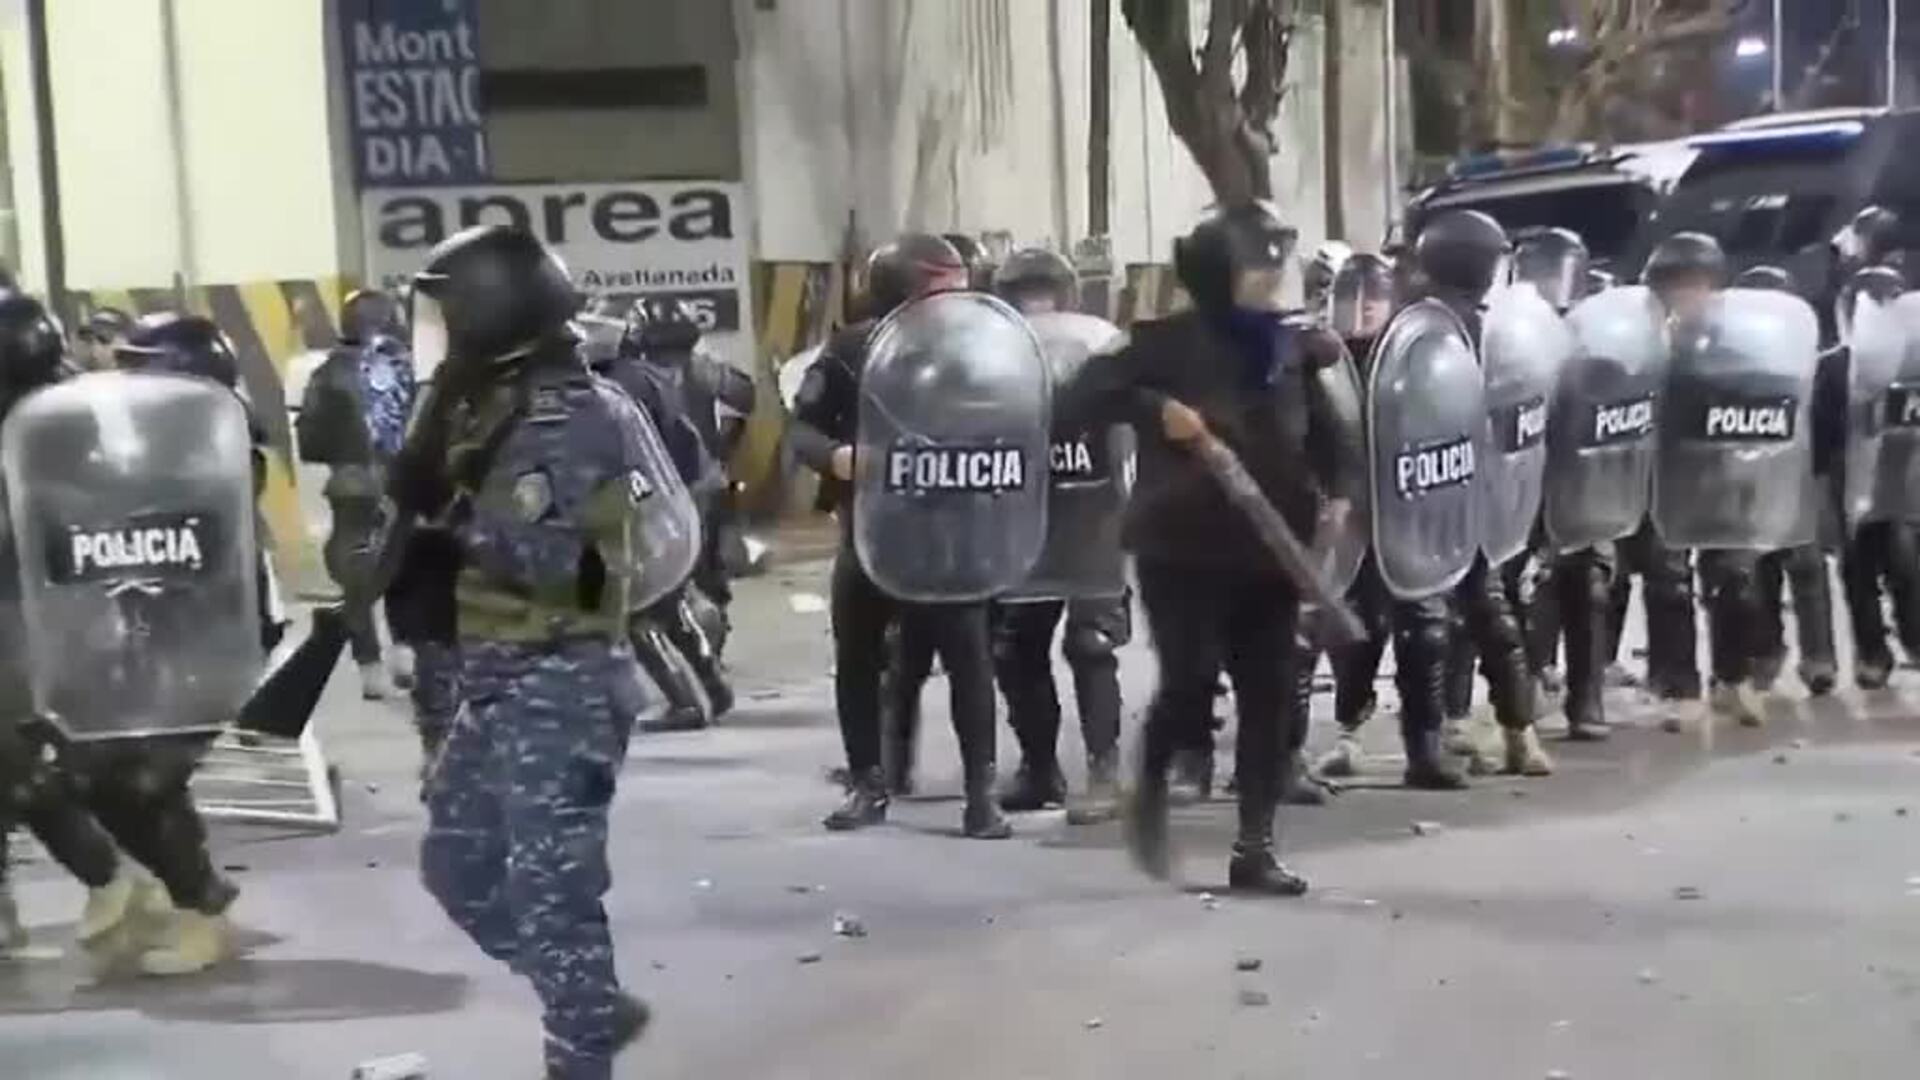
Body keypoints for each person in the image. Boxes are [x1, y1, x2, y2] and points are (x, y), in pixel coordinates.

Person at [402, 225, 655, 1079]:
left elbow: (569, 567)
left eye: (448, 313)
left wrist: (452, 541)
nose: (434, 331)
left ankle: (579, 1046)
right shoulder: (487, 397)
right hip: (502, 679)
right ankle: (589, 1003)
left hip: (563, 678)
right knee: (456, 863)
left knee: (558, 902)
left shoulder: (569, 417)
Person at [1061, 202, 1365, 894]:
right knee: (1189, 682)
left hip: (1271, 551)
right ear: (1218, 272)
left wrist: (1339, 495)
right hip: (1182, 548)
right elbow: (1074, 402)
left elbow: (1334, 436)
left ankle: (1254, 846)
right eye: (1257, 264)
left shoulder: (1293, 348)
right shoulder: (1158, 344)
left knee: (1270, 696)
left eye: (1273, 264)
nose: (1270, 277)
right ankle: (1152, 785)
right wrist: (1153, 410)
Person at [791, 234, 1015, 840]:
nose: (963, 296)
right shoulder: (850, 349)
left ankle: (981, 793)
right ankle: (868, 781)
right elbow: (801, 430)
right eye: (948, 285)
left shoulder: (984, 350)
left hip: (952, 533)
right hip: (871, 531)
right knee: (858, 659)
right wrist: (836, 457)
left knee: (970, 661)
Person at [0, 291, 160, 967]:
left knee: (17, 763)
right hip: (60, 618)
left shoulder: (38, 429)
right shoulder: (68, 414)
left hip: (32, 621)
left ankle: (112, 879)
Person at [987, 247, 1132, 821]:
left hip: (1095, 516)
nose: (1036, 306)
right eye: (1027, 295)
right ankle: (1038, 767)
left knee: (1091, 644)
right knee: (1016, 647)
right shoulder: (990, 355)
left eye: (1044, 293)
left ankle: (1105, 773)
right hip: (1024, 519)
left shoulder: (1105, 348)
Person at [1416, 211, 1556, 777]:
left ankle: (1437, 736)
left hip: (1428, 497)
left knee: (1425, 625)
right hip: (1487, 503)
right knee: (1491, 615)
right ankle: (1521, 734)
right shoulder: (1516, 332)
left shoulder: (1419, 330)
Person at [1512, 226, 1618, 742]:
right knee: (1532, 586)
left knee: (1591, 584)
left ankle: (1587, 696)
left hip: (1584, 476)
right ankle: (1524, 684)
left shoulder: (1598, 330)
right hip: (1527, 478)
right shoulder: (1514, 326)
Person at [1608, 233, 1717, 719]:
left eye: (1695, 286)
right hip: (1634, 467)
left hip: (1687, 469)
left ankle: (1678, 678)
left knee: (1671, 573)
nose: (1685, 296)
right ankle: (1603, 671)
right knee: (1618, 572)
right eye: (1676, 286)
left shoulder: (1724, 339)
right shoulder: (1632, 336)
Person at [1304, 251, 1396, 790]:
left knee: (1387, 621)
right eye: (1350, 299)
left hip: (1392, 511)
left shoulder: (1404, 351)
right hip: (1334, 508)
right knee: (1333, 622)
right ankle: (1345, 725)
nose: (1360, 310)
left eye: (1373, 299)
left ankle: (1435, 725)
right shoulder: (1321, 356)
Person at [298, 288, 416, 700]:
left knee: (355, 577)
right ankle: (406, 648)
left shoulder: (327, 373)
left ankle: (370, 668)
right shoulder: (409, 370)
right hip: (406, 484)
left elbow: (309, 442)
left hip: (350, 486)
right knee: (406, 563)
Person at [1732, 265, 1838, 697]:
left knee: (1806, 569)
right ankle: (1766, 653)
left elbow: (1828, 424)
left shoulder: (1814, 363)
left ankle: (1818, 660)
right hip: (1748, 483)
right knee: (1759, 574)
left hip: (1795, 480)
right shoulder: (1729, 364)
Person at [1830, 263, 1920, 688]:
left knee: (1905, 567)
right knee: (1858, 574)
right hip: (1853, 487)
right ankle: (1873, 654)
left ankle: (1911, 642)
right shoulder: (1834, 367)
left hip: (1904, 485)